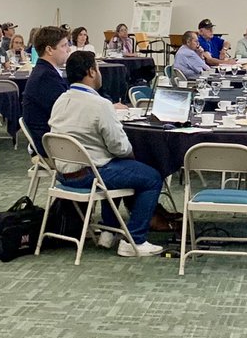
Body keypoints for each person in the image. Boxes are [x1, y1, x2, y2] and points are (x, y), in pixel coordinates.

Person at [48, 51, 164, 257]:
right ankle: (135, 240)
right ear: (91, 72)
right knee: (151, 177)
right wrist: (131, 153)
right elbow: (121, 148)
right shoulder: (101, 105)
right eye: (98, 69)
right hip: (90, 176)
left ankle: (108, 231)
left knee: (116, 166)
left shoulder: (60, 100)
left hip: (63, 175)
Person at [21, 25, 72, 156]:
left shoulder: (46, 71)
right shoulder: (45, 77)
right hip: (51, 144)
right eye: (64, 45)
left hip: (52, 138)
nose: (68, 49)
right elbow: (67, 112)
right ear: (49, 49)